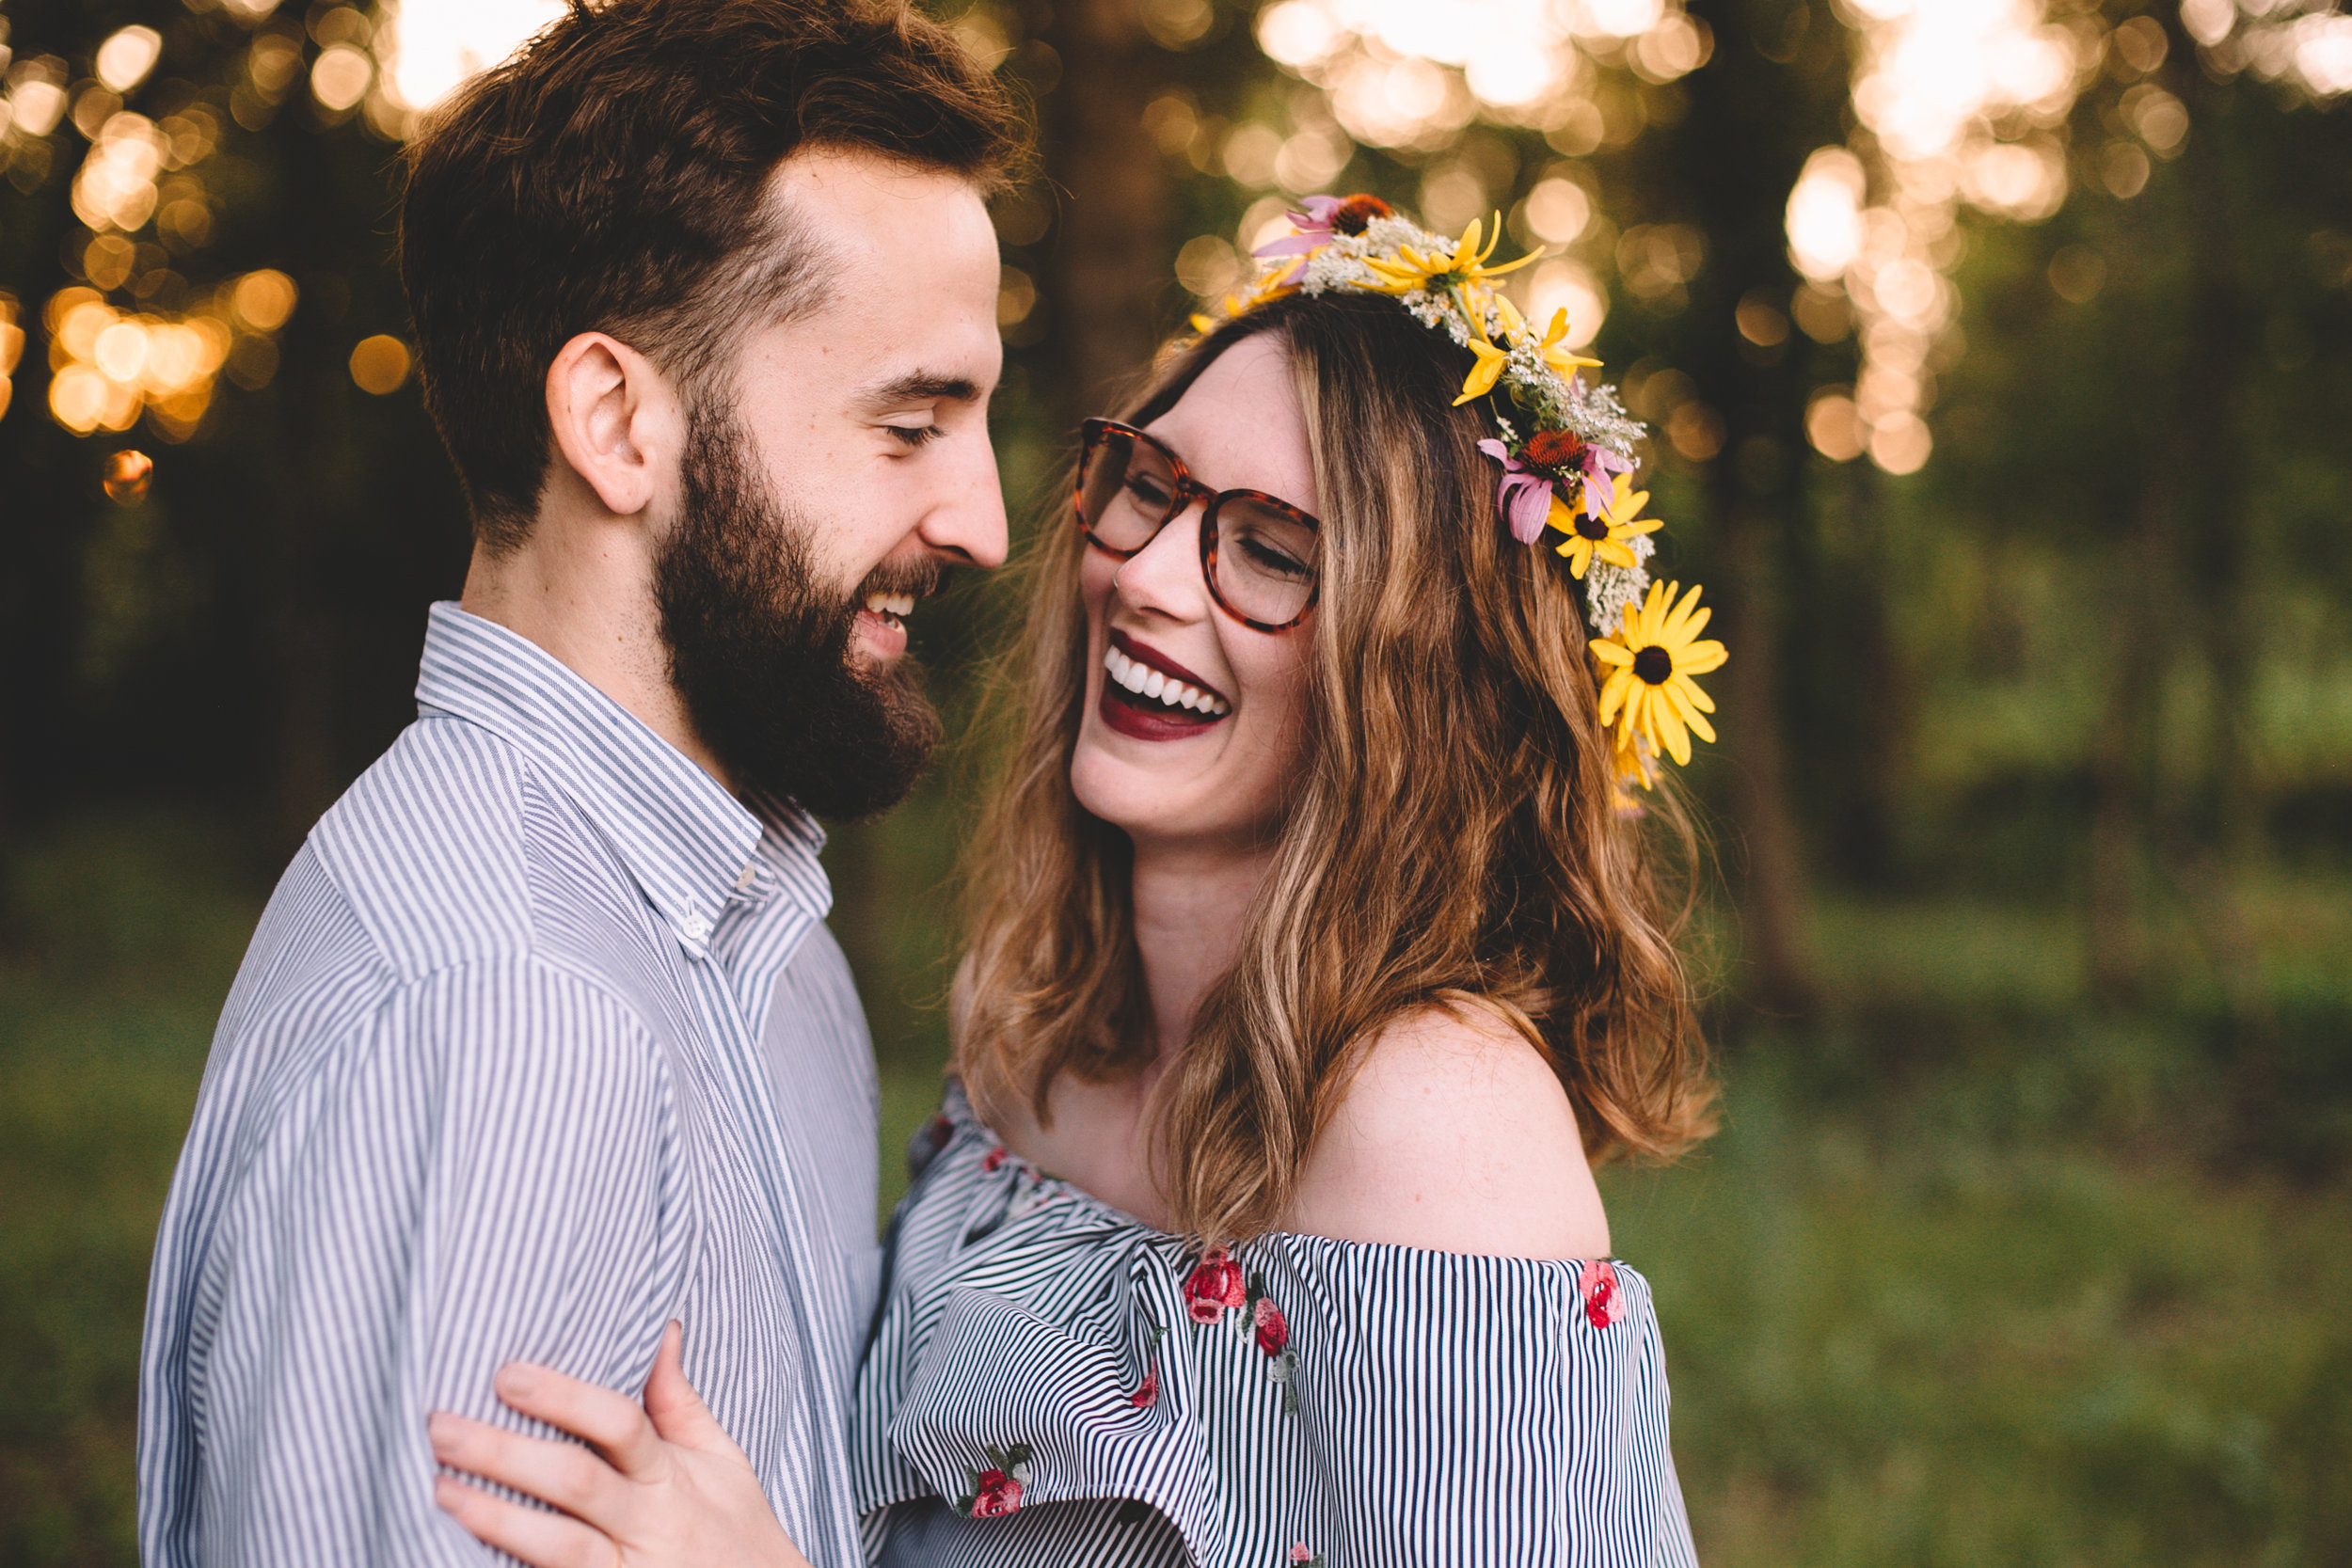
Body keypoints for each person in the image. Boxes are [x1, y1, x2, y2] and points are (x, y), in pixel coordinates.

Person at [429, 198, 1722, 1565]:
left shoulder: (1428, 1124)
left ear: (1423, 680)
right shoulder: (1046, 1025)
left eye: (1273, 552)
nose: (1150, 574)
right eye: (1152, 487)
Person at [135, 4, 1021, 1565]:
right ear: (617, 422)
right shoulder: (510, 1019)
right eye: (910, 426)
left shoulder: (759, 938)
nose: (983, 523)